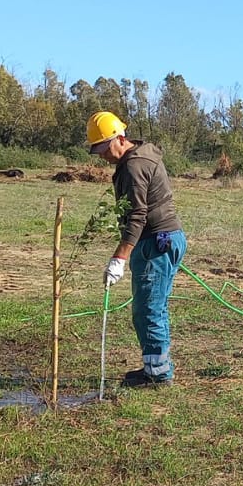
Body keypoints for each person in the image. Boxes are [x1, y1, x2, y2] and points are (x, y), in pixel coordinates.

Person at [87, 111, 187, 389]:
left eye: (104, 147)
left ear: (120, 138)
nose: (102, 155)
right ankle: (157, 367)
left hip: (156, 242)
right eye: (97, 151)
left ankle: (157, 376)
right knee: (153, 307)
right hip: (162, 239)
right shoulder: (138, 158)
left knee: (147, 310)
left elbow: (137, 216)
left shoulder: (134, 166)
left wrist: (119, 257)